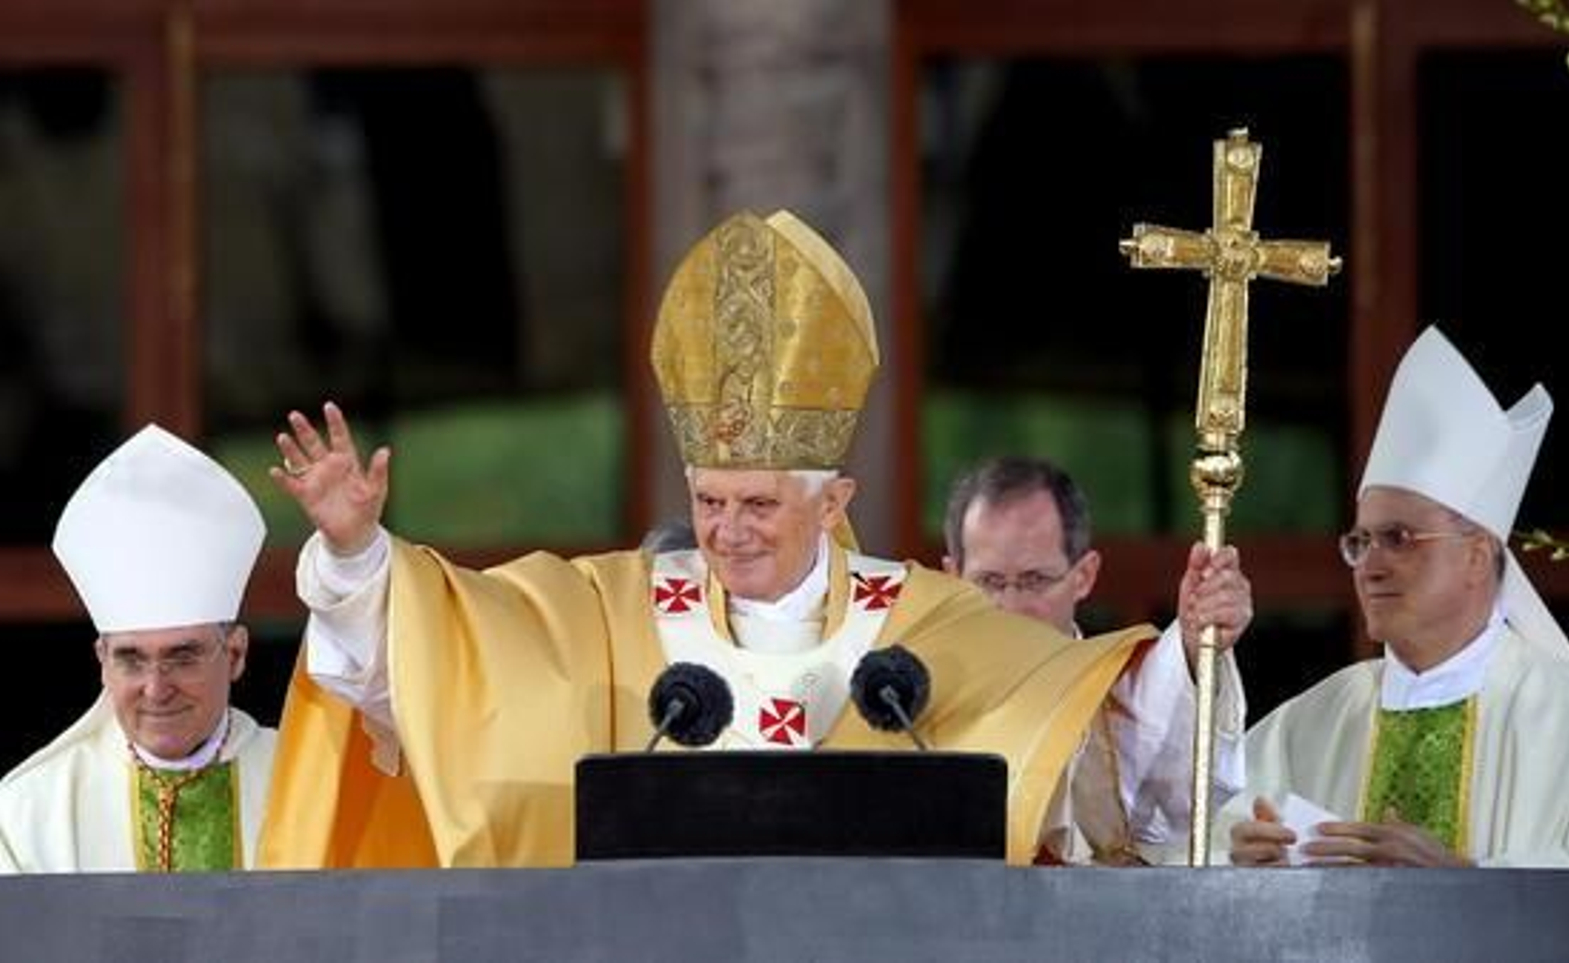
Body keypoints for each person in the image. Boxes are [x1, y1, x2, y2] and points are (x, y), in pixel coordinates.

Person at [256, 210, 1251, 869]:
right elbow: (431, 661)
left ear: (833, 501)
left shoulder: (930, 628)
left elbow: (1100, 750)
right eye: (710, 500)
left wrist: (1191, 650)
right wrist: (355, 551)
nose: (725, 532)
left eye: (758, 506)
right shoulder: (609, 611)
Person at [1224, 326, 1569, 868]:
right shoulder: (1311, 722)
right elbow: (1181, 841)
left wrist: (1459, 884)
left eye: (1398, 538)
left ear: (1476, 554)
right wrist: (1239, 862)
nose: (1370, 566)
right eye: (1360, 542)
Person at [943, 455, 1248, 863]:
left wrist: (1196, 641)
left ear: (1084, 575)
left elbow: (1176, 788)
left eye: (1035, 581)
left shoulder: (1114, 691)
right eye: (989, 582)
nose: (1011, 607)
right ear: (951, 578)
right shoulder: (915, 698)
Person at [0, 425, 275, 872]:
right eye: (131, 659)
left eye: (182, 656)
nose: (155, 688)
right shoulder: (30, 813)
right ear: (102, 663)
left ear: (237, 654)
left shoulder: (303, 786)